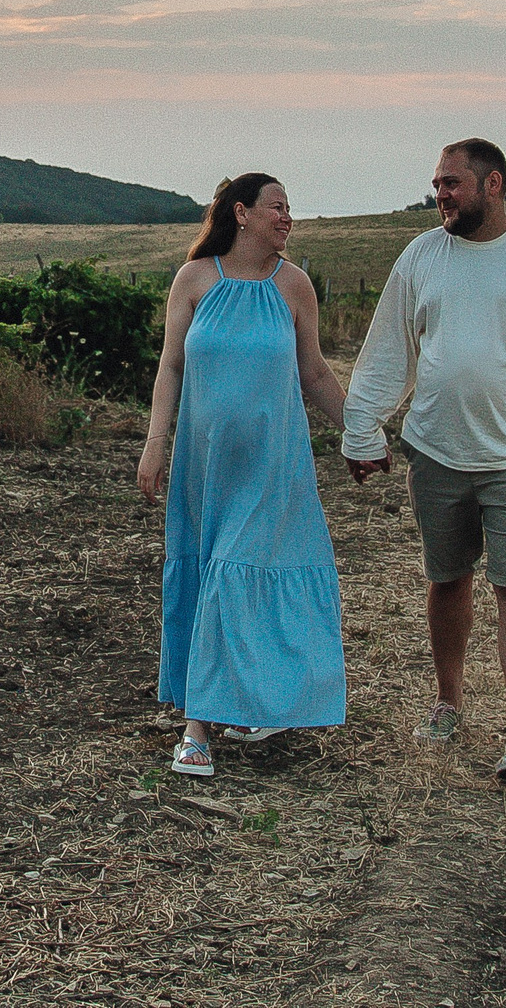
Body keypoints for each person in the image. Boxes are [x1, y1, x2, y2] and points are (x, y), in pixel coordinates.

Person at [339, 137, 506, 790]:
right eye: (436, 183)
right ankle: (448, 702)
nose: (441, 195)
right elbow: (386, 353)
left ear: (494, 185)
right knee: (446, 578)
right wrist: (362, 429)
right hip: (438, 450)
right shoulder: (422, 255)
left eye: (452, 183)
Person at [137, 172, 349, 778]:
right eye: (277, 206)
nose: (287, 217)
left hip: (272, 466)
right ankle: (211, 712)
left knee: (236, 571)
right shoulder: (196, 279)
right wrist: (156, 444)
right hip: (205, 465)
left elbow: (314, 374)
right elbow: (170, 368)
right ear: (242, 214)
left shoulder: (295, 286)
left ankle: (198, 729)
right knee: (210, 570)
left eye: (289, 207)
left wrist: (361, 433)